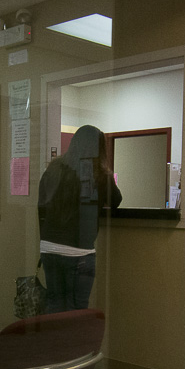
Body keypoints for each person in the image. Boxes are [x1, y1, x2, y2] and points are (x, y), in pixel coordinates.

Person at [38, 125, 122, 313]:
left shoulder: (54, 169)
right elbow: (116, 200)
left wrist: (44, 239)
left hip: (49, 247)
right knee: (77, 310)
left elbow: (41, 206)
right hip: (78, 251)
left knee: (54, 306)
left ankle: (54, 334)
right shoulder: (99, 174)